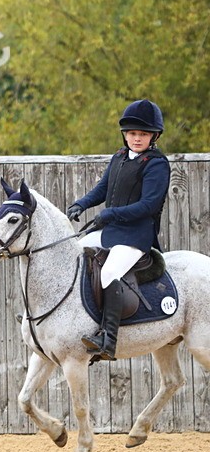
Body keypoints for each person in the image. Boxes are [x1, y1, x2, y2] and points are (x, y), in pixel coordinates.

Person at [66, 99, 170, 361]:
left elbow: (148, 205)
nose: (137, 139)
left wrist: (111, 214)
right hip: (112, 230)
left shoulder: (156, 164)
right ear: (125, 135)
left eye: (143, 134)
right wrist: (82, 203)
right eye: (133, 133)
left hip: (136, 236)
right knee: (73, 254)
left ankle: (108, 339)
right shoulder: (119, 157)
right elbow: (103, 189)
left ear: (153, 136)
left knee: (109, 272)